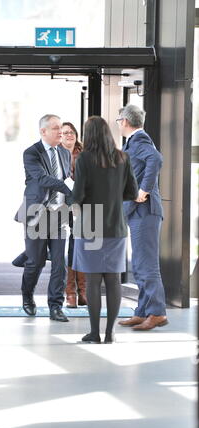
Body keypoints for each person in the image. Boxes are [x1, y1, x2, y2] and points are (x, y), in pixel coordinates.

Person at [71, 116, 138, 343]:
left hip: (91, 223)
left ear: (88, 135)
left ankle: (94, 333)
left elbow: (78, 195)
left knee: (92, 280)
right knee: (113, 279)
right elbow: (131, 192)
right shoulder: (123, 157)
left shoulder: (84, 159)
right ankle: (110, 333)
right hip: (116, 225)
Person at [14, 114, 72, 322]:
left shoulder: (65, 153)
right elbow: (42, 178)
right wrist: (66, 187)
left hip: (59, 214)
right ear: (43, 131)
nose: (61, 132)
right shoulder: (32, 153)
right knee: (35, 263)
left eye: (62, 128)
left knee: (59, 263)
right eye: (56, 128)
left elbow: (68, 177)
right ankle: (27, 295)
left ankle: (55, 306)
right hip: (37, 214)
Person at [116, 104, 168, 331]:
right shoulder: (133, 141)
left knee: (147, 265)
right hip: (137, 213)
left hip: (145, 212)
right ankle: (143, 311)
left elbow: (156, 159)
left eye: (119, 120)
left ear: (125, 122)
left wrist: (143, 190)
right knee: (138, 264)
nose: (118, 124)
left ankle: (157, 313)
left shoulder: (140, 140)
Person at [61, 122, 87, 308]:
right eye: (65, 133)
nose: (69, 135)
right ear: (59, 136)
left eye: (72, 132)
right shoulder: (54, 154)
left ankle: (80, 292)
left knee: (78, 245)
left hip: (81, 206)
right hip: (59, 206)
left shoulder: (85, 154)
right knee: (61, 246)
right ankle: (70, 292)